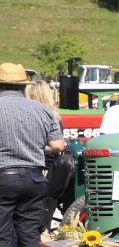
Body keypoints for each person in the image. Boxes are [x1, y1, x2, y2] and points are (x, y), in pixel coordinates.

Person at [0, 62, 66, 247]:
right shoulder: (42, 110)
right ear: (22, 86)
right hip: (34, 177)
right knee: (29, 236)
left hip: (3, 177)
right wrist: (32, 148)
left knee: (3, 237)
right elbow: (58, 146)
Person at [25, 81, 75, 219]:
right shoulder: (54, 116)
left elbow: (57, 146)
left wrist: (33, 148)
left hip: (38, 169)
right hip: (52, 169)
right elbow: (58, 146)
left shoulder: (28, 116)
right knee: (47, 210)